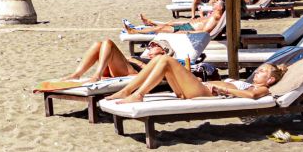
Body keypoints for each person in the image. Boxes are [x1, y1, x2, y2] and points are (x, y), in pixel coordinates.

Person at [106, 55, 291, 104]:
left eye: (263, 71)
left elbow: (250, 97)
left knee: (166, 60)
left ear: (270, 81)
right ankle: (127, 91)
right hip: (198, 88)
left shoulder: (263, 90)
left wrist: (224, 89)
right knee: (158, 60)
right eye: (259, 69)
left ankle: (138, 94)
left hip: (205, 92)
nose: (258, 71)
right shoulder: (249, 82)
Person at [67, 37, 173, 83]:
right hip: (121, 69)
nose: (150, 48)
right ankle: (76, 74)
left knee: (108, 43)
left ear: (163, 50)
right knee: (98, 45)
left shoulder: (164, 59)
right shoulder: (144, 57)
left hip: (133, 74)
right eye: (149, 46)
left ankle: (97, 75)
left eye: (154, 46)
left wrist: (138, 62)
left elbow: (162, 76)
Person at [127, 0, 225, 35]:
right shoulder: (214, 14)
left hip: (189, 28)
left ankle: (135, 31)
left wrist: (186, 32)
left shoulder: (215, 17)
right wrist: (201, 15)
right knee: (169, 23)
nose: (214, 4)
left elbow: (204, 32)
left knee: (160, 28)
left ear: (220, 8)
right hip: (189, 25)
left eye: (216, 4)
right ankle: (149, 22)